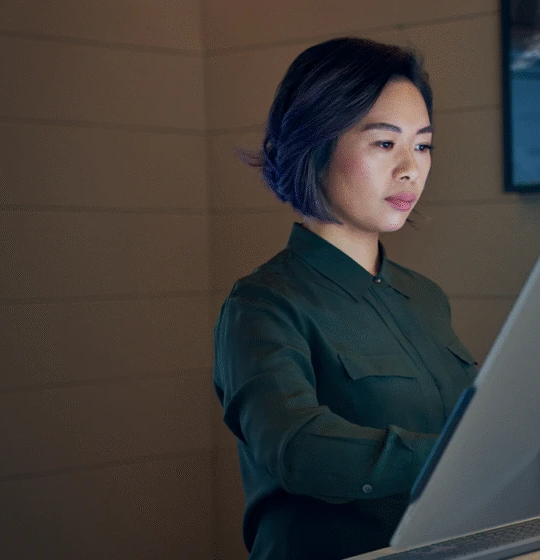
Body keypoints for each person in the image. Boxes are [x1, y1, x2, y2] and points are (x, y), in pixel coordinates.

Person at [212, 37, 480, 560]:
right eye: (385, 143)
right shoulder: (262, 305)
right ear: (315, 145)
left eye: (422, 145)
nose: (411, 169)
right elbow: (299, 449)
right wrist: (467, 455)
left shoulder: (425, 298)